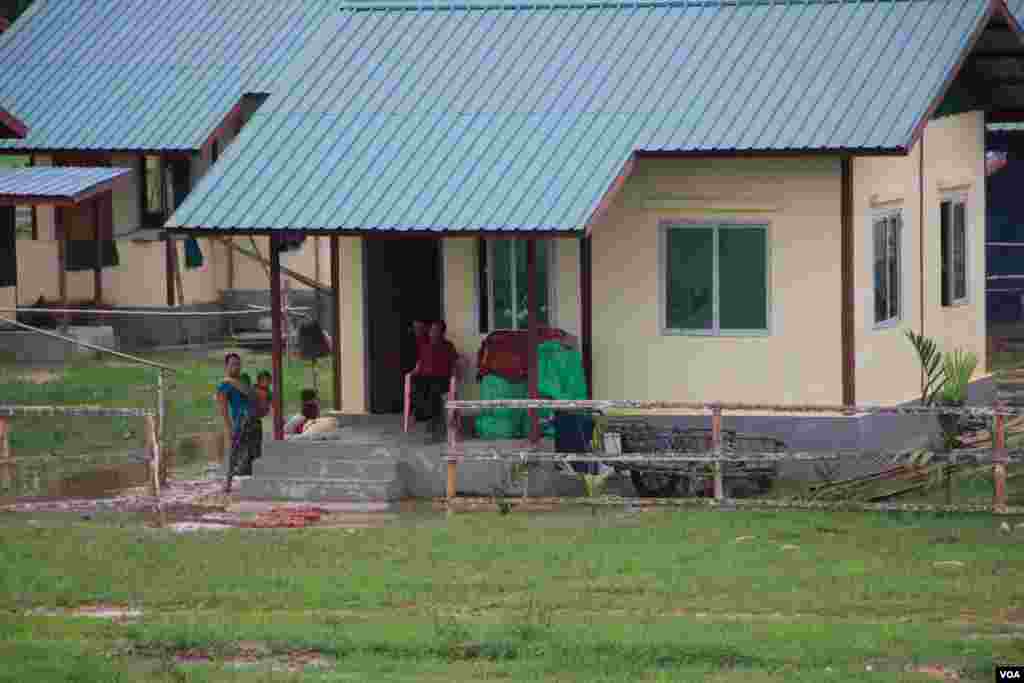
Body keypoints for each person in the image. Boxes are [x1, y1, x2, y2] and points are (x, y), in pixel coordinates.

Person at [216, 353, 261, 492]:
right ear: (226, 366)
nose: (236, 367)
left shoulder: (243, 380)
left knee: (255, 452)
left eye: (238, 364)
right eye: (233, 364)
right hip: (240, 420)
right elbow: (223, 409)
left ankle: (257, 481)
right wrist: (228, 428)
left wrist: (231, 381)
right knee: (234, 453)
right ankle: (228, 483)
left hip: (253, 420)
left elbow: (251, 394)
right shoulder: (223, 386)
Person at [410, 320, 460, 442]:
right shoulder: (425, 345)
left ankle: (431, 427)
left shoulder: (448, 346)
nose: (432, 333)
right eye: (432, 330)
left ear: (442, 332)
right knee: (416, 386)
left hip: (442, 379)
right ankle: (424, 418)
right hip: (426, 379)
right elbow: (419, 363)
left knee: (433, 391)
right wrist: (415, 371)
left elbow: (454, 364)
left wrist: (454, 377)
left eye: (436, 330)